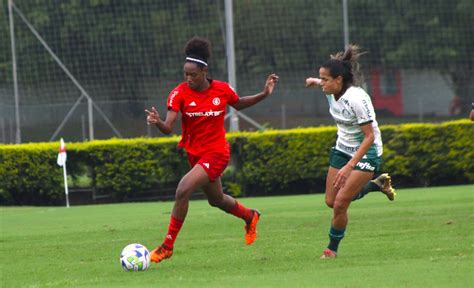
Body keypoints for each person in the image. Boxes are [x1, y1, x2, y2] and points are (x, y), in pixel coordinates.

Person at [145, 36, 279, 264]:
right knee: (216, 200)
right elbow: (168, 127)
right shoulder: (179, 93)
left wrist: (264, 94)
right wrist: (157, 122)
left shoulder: (222, 90)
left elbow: (239, 103)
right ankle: (250, 216)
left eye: (193, 75)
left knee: (183, 189)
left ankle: (167, 246)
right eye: (185, 74)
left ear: (204, 71)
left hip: (217, 153)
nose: (188, 78)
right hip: (195, 155)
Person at [305, 45, 395, 259]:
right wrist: (314, 81)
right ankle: (376, 185)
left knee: (340, 203)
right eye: (321, 79)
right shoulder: (331, 90)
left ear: (339, 80)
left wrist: (349, 166)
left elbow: (369, 137)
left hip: (367, 152)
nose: (322, 84)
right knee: (330, 200)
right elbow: (323, 84)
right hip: (342, 148)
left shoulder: (357, 99)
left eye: (325, 80)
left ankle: (331, 250)